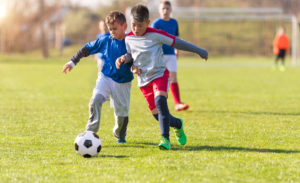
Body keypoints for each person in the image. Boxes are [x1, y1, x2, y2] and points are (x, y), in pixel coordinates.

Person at [116, 5, 208, 150]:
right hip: (143, 80)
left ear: (148, 23)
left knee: (160, 102)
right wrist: (127, 62)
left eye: (140, 26)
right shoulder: (128, 39)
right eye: (133, 25)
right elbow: (130, 56)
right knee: (157, 116)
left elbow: (177, 42)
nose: (136, 29)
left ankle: (165, 139)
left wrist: (199, 51)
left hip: (160, 74)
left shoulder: (156, 34)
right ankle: (178, 124)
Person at [62, 11, 133, 143]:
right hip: (106, 77)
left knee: (122, 116)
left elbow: (138, 57)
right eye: (110, 29)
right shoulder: (105, 40)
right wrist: (72, 62)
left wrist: (132, 63)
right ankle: (90, 131)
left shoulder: (131, 41)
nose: (112, 32)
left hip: (123, 82)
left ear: (124, 26)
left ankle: (119, 134)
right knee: (95, 99)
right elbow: (86, 48)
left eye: (115, 29)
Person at [152, 0, 189, 111]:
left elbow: (176, 38)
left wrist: (176, 50)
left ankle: (177, 103)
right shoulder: (156, 23)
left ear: (171, 10)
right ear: (159, 10)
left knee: (173, 78)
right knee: (158, 78)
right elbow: (152, 39)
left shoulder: (174, 22)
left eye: (167, 8)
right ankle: (156, 103)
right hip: (159, 55)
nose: (165, 11)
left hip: (171, 54)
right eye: (163, 8)